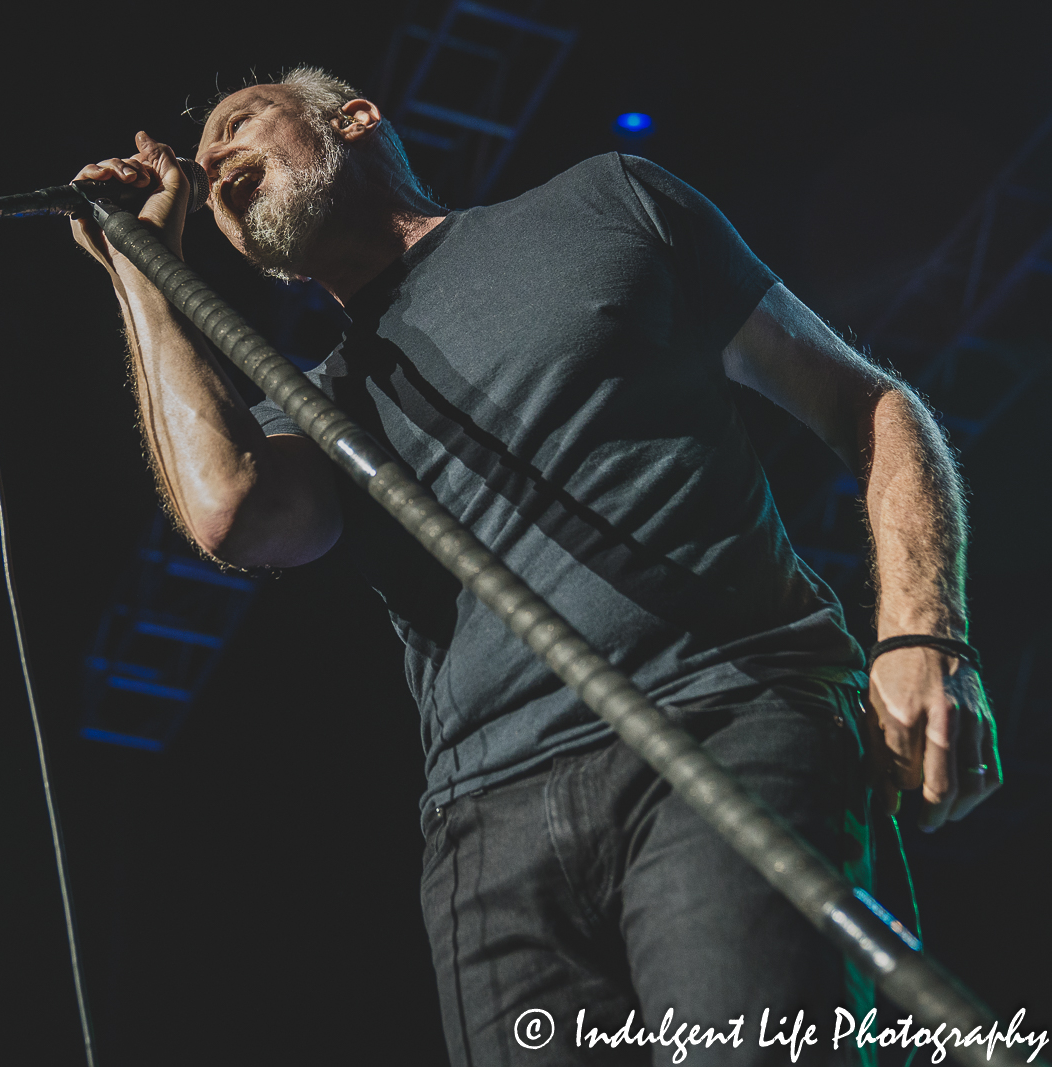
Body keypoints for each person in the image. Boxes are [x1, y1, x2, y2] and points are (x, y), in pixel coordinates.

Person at [67, 67, 1000, 1066]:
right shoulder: (325, 403)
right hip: (486, 832)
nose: (205, 165)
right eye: (202, 163)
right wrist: (142, 268)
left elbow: (868, 404)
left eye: (236, 123)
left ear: (353, 118)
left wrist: (919, 631)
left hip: (725, 722)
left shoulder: (606, 201)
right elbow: (231, 510)